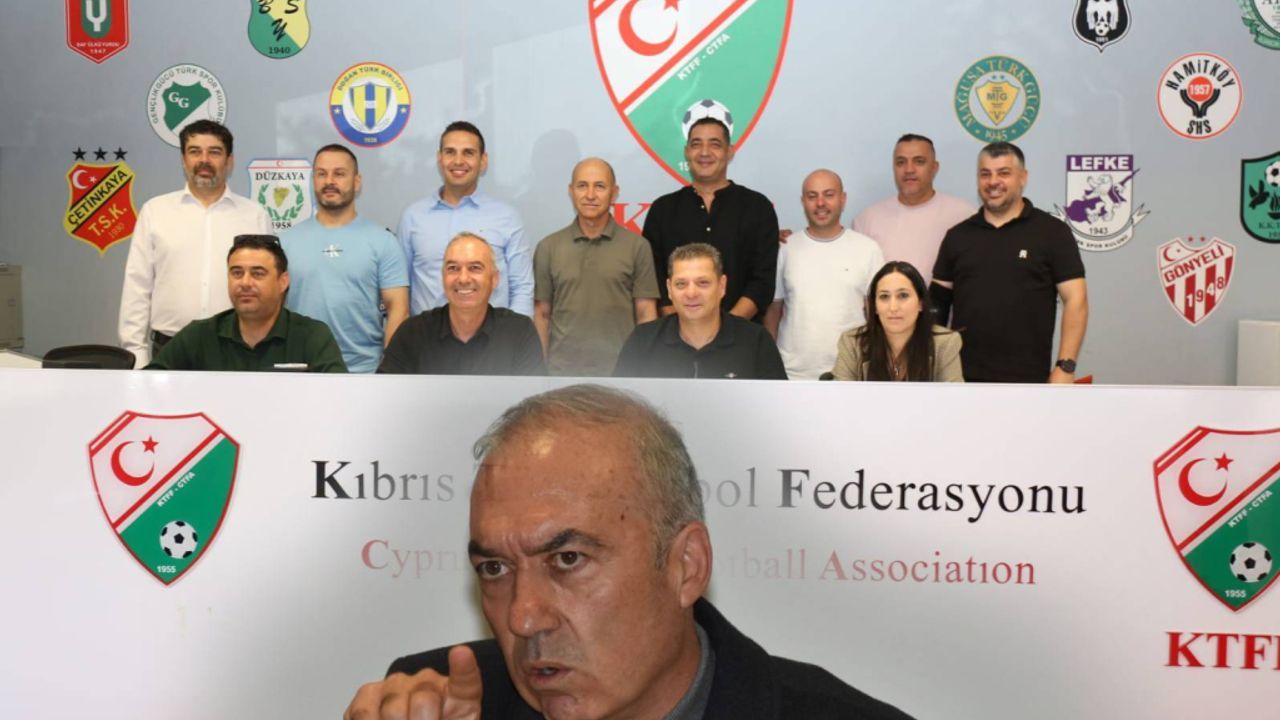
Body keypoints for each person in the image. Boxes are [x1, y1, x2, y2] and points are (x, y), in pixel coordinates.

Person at [343, 384, 915, 720]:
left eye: (568, 559)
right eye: (494, 568)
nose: (523, 617)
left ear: (686, 566)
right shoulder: (438, 703)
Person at [930, 142, 1088, 383]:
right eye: (985, 174)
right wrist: (930, 364)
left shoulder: (1052, 233)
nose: (993, 182)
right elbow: (936, 305)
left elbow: (1076, 299)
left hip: (1030, 380)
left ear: (1023, 177)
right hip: (962, 380)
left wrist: (1065, 366)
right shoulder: (957, 237)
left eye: (1003, 173)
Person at [119, 120, 270, 366]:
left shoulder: (254, 216)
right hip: (170, 349)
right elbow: (138, 286)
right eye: (195, 151)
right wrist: (136, 354)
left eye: (214, 152)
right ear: (183, 159)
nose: (204, 160)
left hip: (237, 350)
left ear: (229, 161)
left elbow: (268, 289)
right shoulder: (155, 211)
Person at [280, 144, 409, 373]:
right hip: (301, 372)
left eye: (339, 174)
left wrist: (389, 370)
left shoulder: (383, 242)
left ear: (357, 182)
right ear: (313, 180)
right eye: (322, 174)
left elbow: (398, 308)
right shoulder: (285, 242)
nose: (329, 181)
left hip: (364, 372)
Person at [642, 118, 779, 322]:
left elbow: (762, 281)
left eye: (715, 144)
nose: (704, 152)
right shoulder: (662, 210)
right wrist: (683, 328)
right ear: (687, 152)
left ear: (729, 152)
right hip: (676, 337)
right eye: (696, 144)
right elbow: (656, 279)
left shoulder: (758, 208)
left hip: (741, 335)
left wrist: (726, 329)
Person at [145, 235, 346, 372]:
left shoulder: (312, 336)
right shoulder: (200, 335)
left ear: (283, 281)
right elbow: (148, 387)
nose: (245, 283)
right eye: (237, 273)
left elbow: (339, 400)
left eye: (258, 274)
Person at [533, 158, 659, 376]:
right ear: (571, 191)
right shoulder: (548, 247)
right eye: (582, 186)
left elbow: (646, 314)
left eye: (599, 186)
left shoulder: (637, 247)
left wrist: (643, 371)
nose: (590, 195)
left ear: (614, 192)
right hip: (561, 374)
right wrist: (540, 372)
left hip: (622, 373)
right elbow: (542, 315)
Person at [398, 121, 533, 317]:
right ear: (439, 158)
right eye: (450, 152)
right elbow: (400, 290)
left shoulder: (507, 218)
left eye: (468, 153)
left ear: (483, 161)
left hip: (494, 335)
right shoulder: (413, 217)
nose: (458, 161)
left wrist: (516, 333)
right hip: (427, 335)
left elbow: (521, 288)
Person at [764, 170, 884, 380]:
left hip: (850, 373)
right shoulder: (785, 248)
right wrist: (770, 362)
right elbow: (773, 310)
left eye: (829, 195)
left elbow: (877, 315)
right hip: (793, 374)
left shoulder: (868, 249)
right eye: (812, 196)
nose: (820, 203)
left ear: (842, 199)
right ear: (803, 202)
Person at [378, 233, 544, 375]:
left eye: (475, 268)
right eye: (453, 268)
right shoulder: (412, 333)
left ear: (494, 279)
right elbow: (388, 394)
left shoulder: (519, 333)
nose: (463, 279)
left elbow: (531, 398)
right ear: (443, 278)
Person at [613, 243, 786, 380]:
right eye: (681, 284)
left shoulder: (756, 341)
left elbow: (775, 407)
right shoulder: (642, 340)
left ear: (721, 286)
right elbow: (620, 407)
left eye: (702, 283)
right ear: (669, 289)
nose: (691, 293)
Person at [851, 134, 975, 286]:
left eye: (919, 161)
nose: (909, 169)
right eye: (901, 162)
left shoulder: (964, 215)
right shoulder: (866, 221)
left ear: (934, 168)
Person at [832, 261, 963, 382]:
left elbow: (954, 397)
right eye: (884, 296)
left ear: (921, 303)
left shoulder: (945, 344)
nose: (893, 307)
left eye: (903, 295)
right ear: (875, 306)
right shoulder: (852, 343)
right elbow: (839, 396)